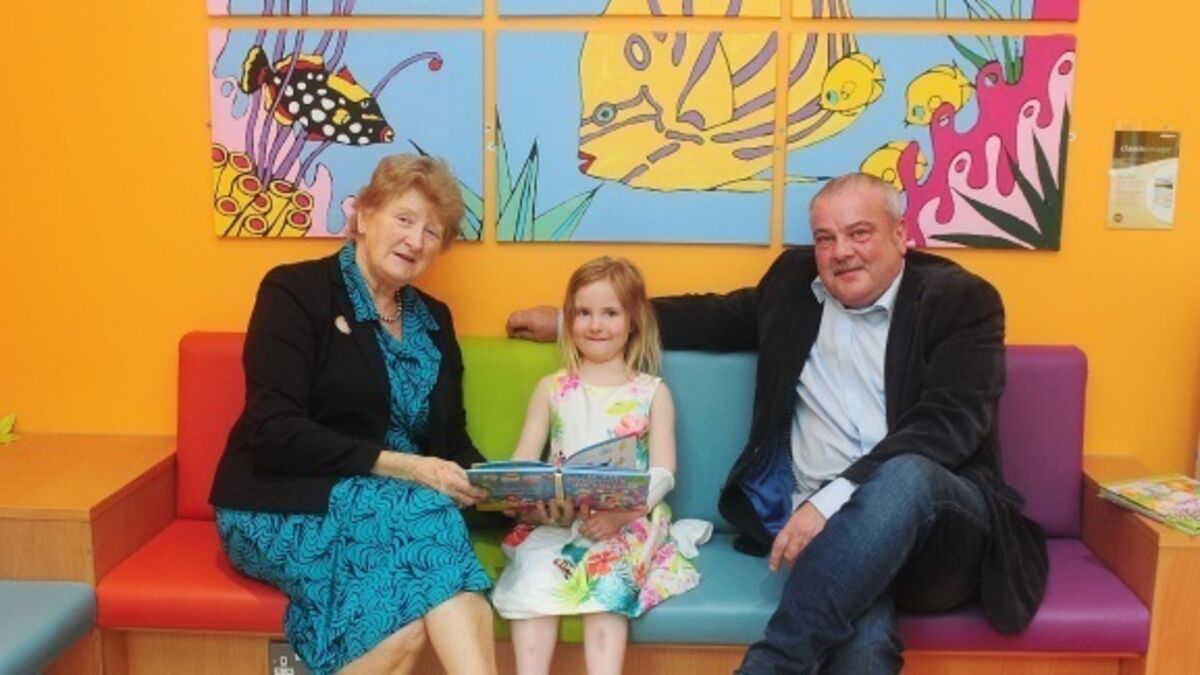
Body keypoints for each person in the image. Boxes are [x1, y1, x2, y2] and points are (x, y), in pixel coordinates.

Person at [506, 174, 1048, 674]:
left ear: (900, 235)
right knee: (863, 646)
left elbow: (949, 425)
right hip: (831, 539)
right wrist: (571, 322)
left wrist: (828, 502)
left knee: (905, 475)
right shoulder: (794, 285)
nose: (841, 251)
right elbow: (711, 317)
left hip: (940, 535)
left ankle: (773, 664)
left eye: (859, 233)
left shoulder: (961, 301)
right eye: (825, 238)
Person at [210, 155, 497, 675]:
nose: (416, 240)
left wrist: (517, 493)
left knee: (407, 623)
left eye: (432, 232)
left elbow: (452, 445)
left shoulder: (434, 320)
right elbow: (274, 432)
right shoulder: (295, 291)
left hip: (398, 510)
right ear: (364, 216)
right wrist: (406, 467)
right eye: (404, 219)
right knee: (430, 515)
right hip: (283, 501)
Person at [491, 257, 703, 675]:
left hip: (627, 521)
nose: (595, 325)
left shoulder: (652, 392)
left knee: (607, 584)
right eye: (583, 313)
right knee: (533, 583)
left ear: (633, 320)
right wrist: (534, 503)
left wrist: (621, 515)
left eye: (610, 313)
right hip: (559, 523)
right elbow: (523, 462)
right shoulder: (552, 388)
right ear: (569, 319)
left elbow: (664, 472)